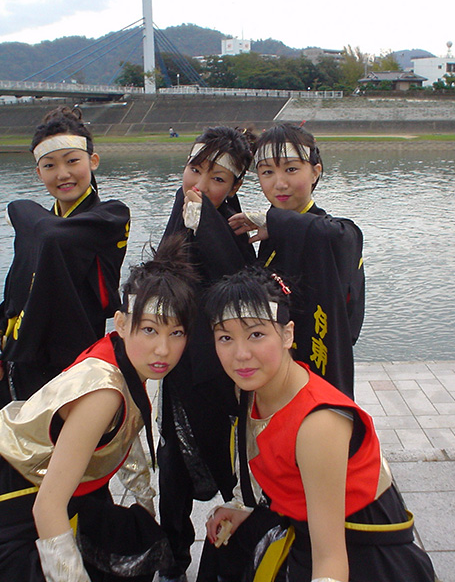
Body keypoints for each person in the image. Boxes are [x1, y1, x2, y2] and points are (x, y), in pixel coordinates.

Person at [0, 236, 197, 582]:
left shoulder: (118, 354)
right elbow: (47, 507)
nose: (163, 349)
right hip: (5, 507)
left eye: (176, 332)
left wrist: (144, 501)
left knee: (138, 538)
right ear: (121, 324)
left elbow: (124, 435)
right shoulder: (103, 395)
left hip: (36, 483)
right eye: (149, 330)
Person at [201, 267, 435, 582]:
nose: (240, 354)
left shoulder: (318, 424)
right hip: (303, 520)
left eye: (256, 334)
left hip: (361, 548)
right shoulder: (250, 387)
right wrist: (246, 507)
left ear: (287, 335)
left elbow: (330, 559)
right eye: (225, 338)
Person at [0, 106, 130, 432]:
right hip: (15, 372)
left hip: (70, 375)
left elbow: (50, 233)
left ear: (93, 161)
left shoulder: (110, 218)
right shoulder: (36, 229)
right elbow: (12, 303)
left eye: (72, 161)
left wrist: (18, 210)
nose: (63, 174)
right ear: (38, 173)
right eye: (50, 165)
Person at [158, 126, 257, 582]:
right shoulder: (182, 209)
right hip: (181, 370)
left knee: (234, 464)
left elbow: (239, 284)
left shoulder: (234, 225)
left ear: (235, 187)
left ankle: (241, 549)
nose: (199, 185)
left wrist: (206, 226)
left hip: (226, 370)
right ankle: (172, 559)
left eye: (217, 179)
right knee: (173, 466)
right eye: (194, 170)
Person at [229, 123, 365, 398]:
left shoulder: (329, 232)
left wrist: (274, 221)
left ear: (315, 172)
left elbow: (343, 236)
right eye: (267, 172)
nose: (279, 183)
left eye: (291, 169)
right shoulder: (272, 232)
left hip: (312, 372)